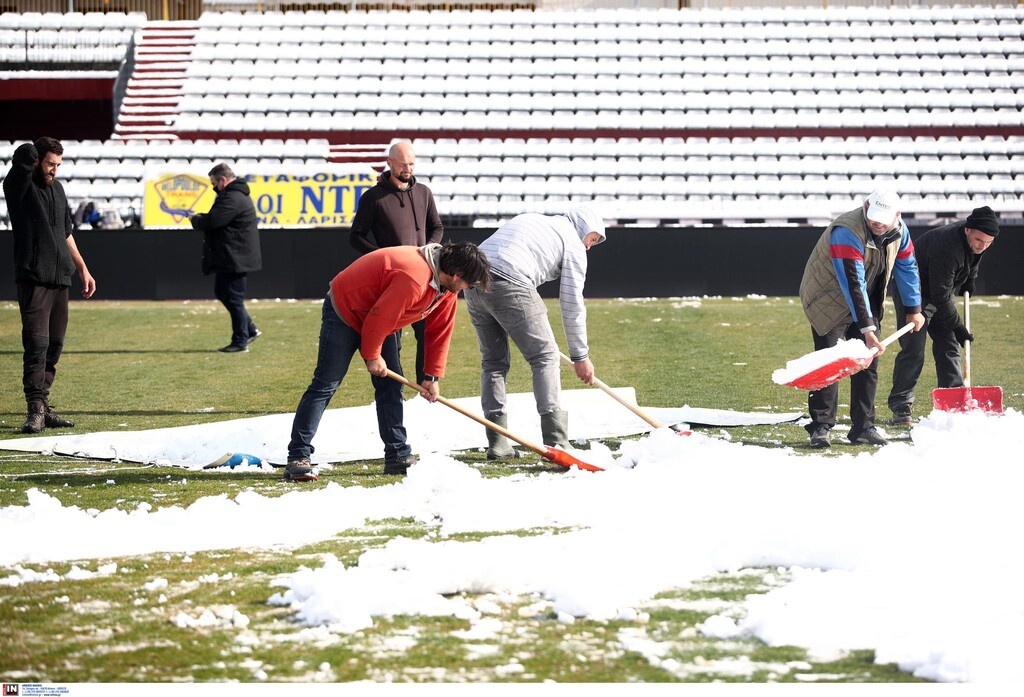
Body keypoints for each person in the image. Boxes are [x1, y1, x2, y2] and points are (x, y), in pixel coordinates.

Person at [284, 241, 492, 482]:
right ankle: (297, 457)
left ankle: (397, 456)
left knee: (391, 387)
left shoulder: (448, 289)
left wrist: (431, 376)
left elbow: (439, 331)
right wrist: (372, 356)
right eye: (470, 282)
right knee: (325, 384)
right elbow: (378, 317)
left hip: (381, 316)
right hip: (346, 310)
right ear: (456, 274)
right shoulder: (413, 277)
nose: (469, 288)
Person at [463, 208, 606, 459]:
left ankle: (498, 443)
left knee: (493, 362)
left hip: (472, 283)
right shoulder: (573, 243)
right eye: (592, 239)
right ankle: (556, 441)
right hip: (510, 281)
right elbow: (572, 303)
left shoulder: (535, 219)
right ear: (583, 227)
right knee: (545, 357)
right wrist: (580, 356)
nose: (590, 247)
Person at [798, 190, 925, 449]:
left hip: (863, 296)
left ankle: (863, 427)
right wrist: (868, 329)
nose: (877, 223)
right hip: (827, 298)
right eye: (873, 217)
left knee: (868, 362)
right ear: (866, 206)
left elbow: (907, 266)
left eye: (883, 219)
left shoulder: (900, 232)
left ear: (896, 216)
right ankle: (821, 426)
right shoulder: (846, 231)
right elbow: (852, 283)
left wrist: (913, 308)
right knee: (829, 361)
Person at [4, 137, 97, 434]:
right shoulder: (19, 187)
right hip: (34, 278)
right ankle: (34, 411)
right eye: (49, 164)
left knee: (54, 345)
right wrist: (32, 153)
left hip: (60, 280)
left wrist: (83, 268)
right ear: (36, 161)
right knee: (36, 345)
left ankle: (44, 405)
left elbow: (66, 232)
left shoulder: (58, 190)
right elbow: (19, 161)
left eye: (58, 165)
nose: (54, 170)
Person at [887, 206, 1000, 425]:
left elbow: (973, 259)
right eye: (979, 240)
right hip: (913, 294)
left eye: (988, 242)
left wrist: (970, 279)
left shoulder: (978, 240)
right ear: (967, 230)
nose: (982, 246)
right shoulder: (947, 246)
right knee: (914, 349)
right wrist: (959, 327)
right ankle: (901, 408)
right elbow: (940, 296)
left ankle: (954, 400)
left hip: (939, 291)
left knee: (948, 345)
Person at [350, 141, 444, 384]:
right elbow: (356, 236)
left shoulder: (424, 192)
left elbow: (437, 227)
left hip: (425, 276)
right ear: (389, 163)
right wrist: (381, 257)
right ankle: (394, 388)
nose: (408, 168)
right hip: (392, 279)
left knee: (426, 333)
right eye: (403, 164)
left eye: (411, 163)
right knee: (392, 337)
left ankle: (425, 382)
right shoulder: (372, 197)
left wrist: (429, 250)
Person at [188, 163, 262, 353]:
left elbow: (214, 221)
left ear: (222, 180)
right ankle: (249, 330)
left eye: (214, 183)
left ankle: (240, 340)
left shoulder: (232, 197)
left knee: (233, 298)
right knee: (223, 293)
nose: (213, 187)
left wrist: (195, 220)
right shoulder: (233, 196)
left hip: (235, 257)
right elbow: (216, 218)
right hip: (232, 256)